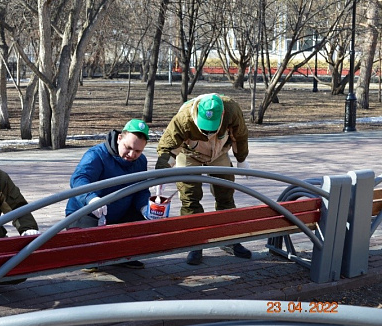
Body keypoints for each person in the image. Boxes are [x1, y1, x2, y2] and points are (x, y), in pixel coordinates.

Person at [155, 93, 252, 265]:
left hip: (219, 153)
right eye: (204, 128)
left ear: (222, 115)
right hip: (190, 154)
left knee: (226, 195)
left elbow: (240, 136)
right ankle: (195, 242)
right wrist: (161, 173)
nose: (208, 133)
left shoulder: (232, 111)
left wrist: (241, 159)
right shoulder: (184, 117)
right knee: (190, 197)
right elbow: (168, 146)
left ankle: (229, 239)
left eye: (212, 129)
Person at [65, 119, 151, 270]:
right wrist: (92, 199)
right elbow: (78, 179)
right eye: (128, 147)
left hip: (120, 213)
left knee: (142, 223)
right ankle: (88, 255)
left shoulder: (141, 161)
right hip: (86, 213)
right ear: (119, 138)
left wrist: (145, 206)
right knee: (90, 254)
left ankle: (123, 254)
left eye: (138, 151)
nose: (132, 154)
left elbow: (141, 189)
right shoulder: (96, 155)